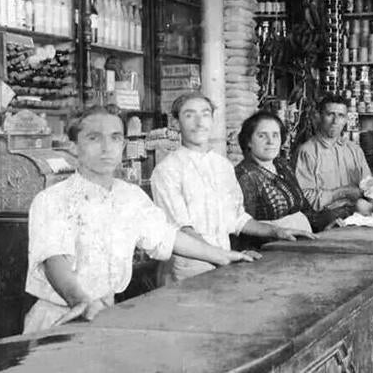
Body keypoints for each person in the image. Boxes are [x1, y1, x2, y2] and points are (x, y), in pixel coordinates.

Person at [23, 105, 256, 333]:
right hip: (60, 319)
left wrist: (223, 256)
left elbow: (167, 237)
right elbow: (54, 260)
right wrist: (80, 301)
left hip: (106, 314)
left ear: (123, 145)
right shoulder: (52, 199)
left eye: (115, 138)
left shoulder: (130, 196)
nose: (107, 148)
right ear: (73, 147)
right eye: (94, 138)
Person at [151, 93, 316, 282]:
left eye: (205, 114)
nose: (199, 122)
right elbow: (182, 231)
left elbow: (237, 220)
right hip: (187, 268)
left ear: (212, 120)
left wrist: (276, 232)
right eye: (189, 115)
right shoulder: (167, 170)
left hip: (222, 261)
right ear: (175, 124)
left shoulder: (222, 165)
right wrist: (223, 256)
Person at [234, 111, 314, 247]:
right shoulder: (246, 175)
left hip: (299, 243)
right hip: (272, 249)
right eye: (262, 136)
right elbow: (243, 227)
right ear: (248, 141)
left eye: (275, 135)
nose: (270, 141)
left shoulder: (282, 165)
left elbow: (303, 206)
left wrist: (326, 223)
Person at [295, 94, 371, 226]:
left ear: (346, 119)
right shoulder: (307, 152)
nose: (335, 121)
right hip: (323, 217)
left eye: (341, 116)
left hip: (357, 213)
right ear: (319, 116)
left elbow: (369, 185)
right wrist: (343, 192)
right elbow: (304, 198)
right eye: (330, 114)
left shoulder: (355, 150)